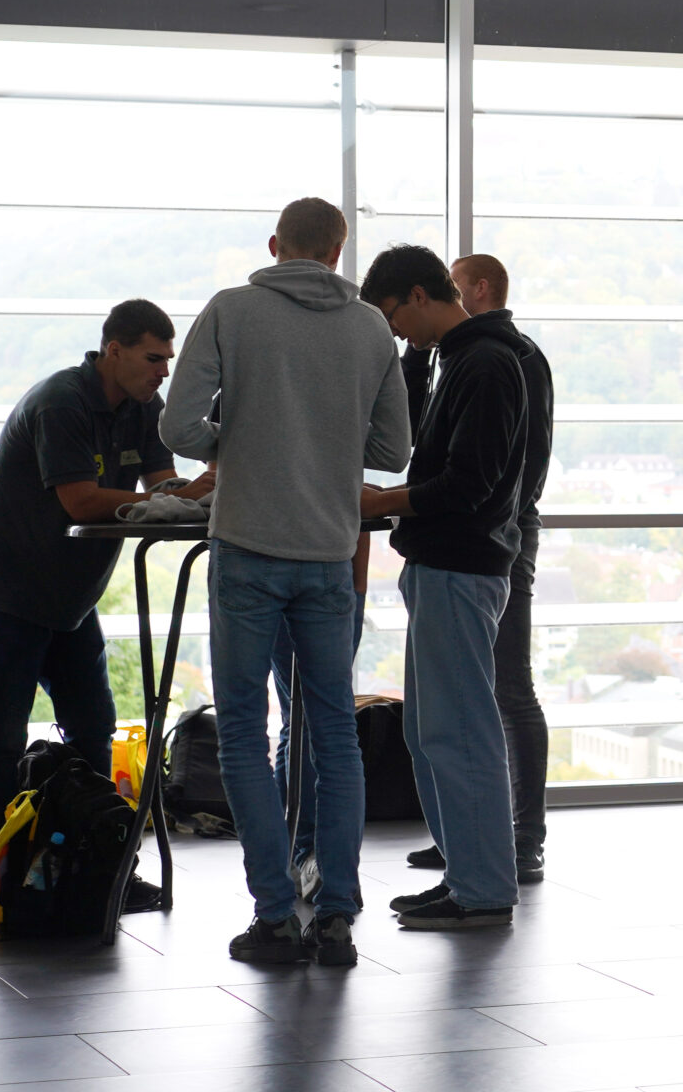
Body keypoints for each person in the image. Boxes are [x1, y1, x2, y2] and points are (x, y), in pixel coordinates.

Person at [162, 199, 412, 965]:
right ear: (338, 252)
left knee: (244, 733)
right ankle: (336, 914)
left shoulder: (232, 310)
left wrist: (234, 442)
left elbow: (176, 430)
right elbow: (393, 449)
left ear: (275, 245)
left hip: (246, 547)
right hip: (329, 555)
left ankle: (274, 915)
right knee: (334, 734)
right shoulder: (371, 327)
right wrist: (328, 447)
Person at [0, 301, 207, 864]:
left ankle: (94, 864)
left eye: (168, 360)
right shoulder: (62, 402)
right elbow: (83, 502)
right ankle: (1, 874)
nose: (163, 371)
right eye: (153, 358)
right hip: (8, 593)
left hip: (70, 600)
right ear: (113, 351)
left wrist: (205, 486)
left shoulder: (144, 407)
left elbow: (162, 485)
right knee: (0, 736)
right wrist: (177, 496)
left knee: (95, 730)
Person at [358, 246, 531, 932]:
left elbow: (471, 483)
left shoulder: (487, 363)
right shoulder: (457, 359)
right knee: (435, 731)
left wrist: (382, 504)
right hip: (447, 565)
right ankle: (468, 875)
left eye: (394, 315)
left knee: (460, 732)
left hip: (463, 566)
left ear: (419, 296)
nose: (396, 331)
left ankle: (484, 888)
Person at [401, 254, 555, 885]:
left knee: (506, 687)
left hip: (496, 534)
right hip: (481, 532)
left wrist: (501, 527)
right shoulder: (450, 357)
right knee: (458, 700)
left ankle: (522, 839)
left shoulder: (509, 357)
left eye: (457, 287)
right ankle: (470, 838)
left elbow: (519, 461)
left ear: (480, 289)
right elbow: (416, 434)